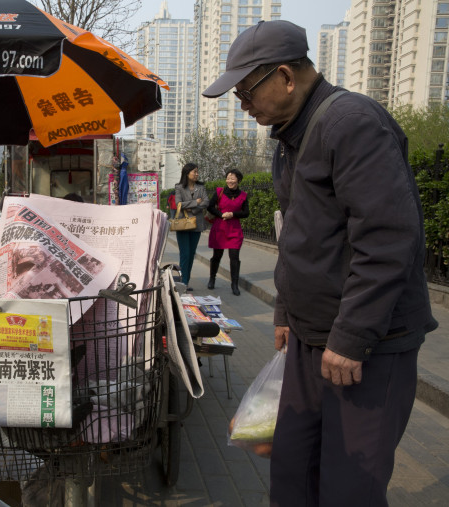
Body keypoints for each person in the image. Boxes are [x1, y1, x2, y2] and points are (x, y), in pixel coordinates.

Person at [202, 20, 438, 506]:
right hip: (312, 341)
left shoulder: (351, 123)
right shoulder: (289, 139)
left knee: (348, 485)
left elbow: (388, 237)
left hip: (367, 348)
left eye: (246, 91)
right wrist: (287, 312)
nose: (243, 105)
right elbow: (298, 240)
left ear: (286, 77)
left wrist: (352, 337)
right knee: (292, 469)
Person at [205, 169, 249, 295]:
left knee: (234, 257)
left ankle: (234, 284)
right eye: (228, 178)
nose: (230, 181)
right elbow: (210, 207)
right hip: (220, 228)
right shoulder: (220, 191)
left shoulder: (243, 195)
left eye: (232, 179)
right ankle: (212, 278)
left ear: (238, 180)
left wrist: (233, 214)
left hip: (234, 229)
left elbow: (246, 213)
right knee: (217, 256)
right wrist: (221, 214)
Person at [173, 163, 208, 290]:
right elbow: (178, 204)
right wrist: (195, 202)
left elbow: (206, 202)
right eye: (195, 172)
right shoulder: (179, 187)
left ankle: (186, 281)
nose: (197, 174)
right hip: (183, 224)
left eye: (197, 172)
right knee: (185, 254)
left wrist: (192, 207)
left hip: (197, 225)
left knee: (191, 253)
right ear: (187, 173)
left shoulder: (201, 187)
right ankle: (182, 282)